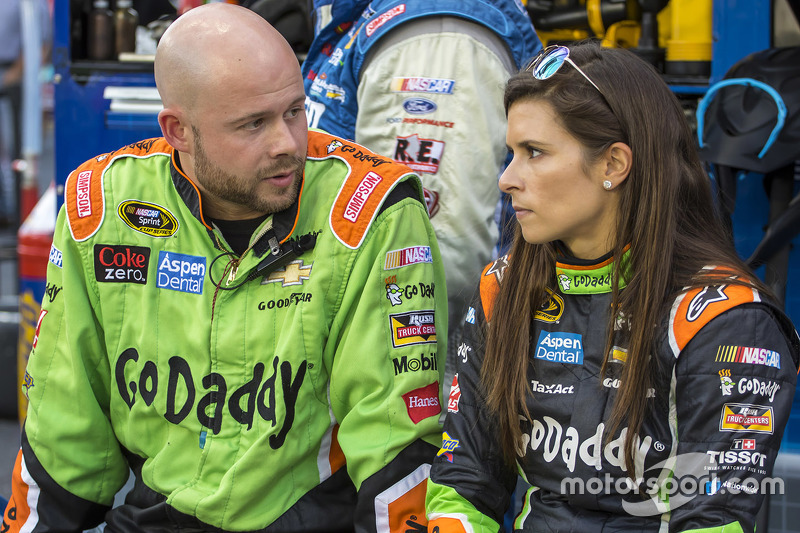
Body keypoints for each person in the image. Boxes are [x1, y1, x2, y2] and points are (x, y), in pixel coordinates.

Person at [2, 4, 447, 531]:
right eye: (252, 124)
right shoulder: (100, 206)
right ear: (178, 131)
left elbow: (394, 443)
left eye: (294, 111)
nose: (286, 144)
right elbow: (63, 429)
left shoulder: (372, 214)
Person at [425, 41, 800, 532]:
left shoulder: (723, 319)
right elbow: (464, 482)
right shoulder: (503, 288)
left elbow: (715, 519)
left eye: (534, 152)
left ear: (613, 165)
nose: (507, 179)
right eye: (510, 153)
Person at [300, 0, 542, 375]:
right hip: (375, 347)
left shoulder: (439, 35)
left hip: (408, 366)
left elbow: (442, 258)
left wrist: (427, 375)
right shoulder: (396, 16)